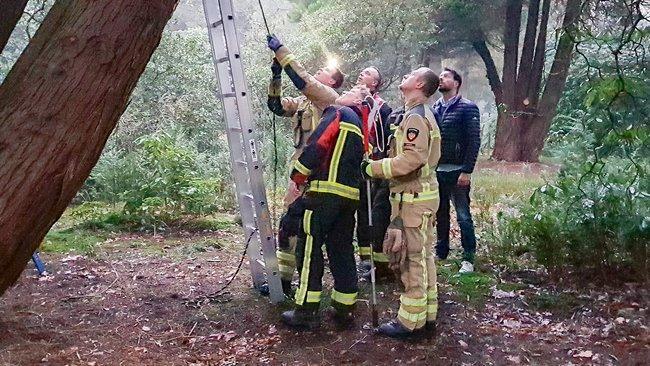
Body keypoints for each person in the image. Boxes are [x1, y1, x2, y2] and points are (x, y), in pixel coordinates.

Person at [280, 85, 371, 329]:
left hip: (324, 194)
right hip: (349, 197)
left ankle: (306, 312)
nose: (347, 91)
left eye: (354, 90)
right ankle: (344, 306)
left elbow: (318, 144)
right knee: (341, 249)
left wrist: (298, 175)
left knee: (308, 248)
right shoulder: (361, 127)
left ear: (358, 100)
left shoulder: (339, 112)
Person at [362, 67, 442, 338]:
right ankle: (427, 316)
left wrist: (373, 168)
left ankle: (410, 324)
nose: (406, 75)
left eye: (411, 74)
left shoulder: (416, 118)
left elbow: (411, 160)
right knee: (424, 257)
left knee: (411, 262)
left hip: (413, 201)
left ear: (419, 84)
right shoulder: (419, 114)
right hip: (422, 199)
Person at [266, 35, 344, 295]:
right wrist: (276, 75)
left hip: (316, 175)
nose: (320, 70)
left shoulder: (329, 98)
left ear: (332, 82)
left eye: (326, 71)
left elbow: (303, 80)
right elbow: (275, 106)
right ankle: (284, 281)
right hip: (297, 173)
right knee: (288, 226)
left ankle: (308, 286)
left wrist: (280, 50)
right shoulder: (304, 103)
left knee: (305, 229)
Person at [432, 68, 481, 274]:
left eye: (445, 77)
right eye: (440, 77)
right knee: (440, 212)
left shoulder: (468, 108)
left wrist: (467, 171)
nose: (441, 79)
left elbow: (474, 141)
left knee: (463, 215)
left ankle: (468, 257)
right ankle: (441, 252)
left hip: (458, 170)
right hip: (438, 170)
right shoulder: (434, 108)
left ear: (456, 83)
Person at [354, 67, 393, 278]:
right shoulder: (349, 103)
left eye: (367, 73)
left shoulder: (382, 108)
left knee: (374, 213)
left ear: (375, 83)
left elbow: (387, 140)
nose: (361, 73)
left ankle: (377, 260)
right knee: (360, 211)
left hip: (376, 167)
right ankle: (364, 258)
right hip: (355, 165)